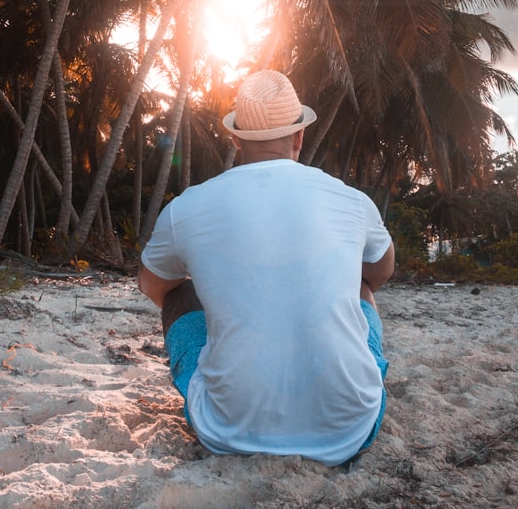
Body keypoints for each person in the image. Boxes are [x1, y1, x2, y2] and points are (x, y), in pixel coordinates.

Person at [137, 70, 395, 467]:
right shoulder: (351, 200)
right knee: (360, 284)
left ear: (236, 138)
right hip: (351, 428)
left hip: (225, 429)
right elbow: (380, 272)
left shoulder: (188, 206)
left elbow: (152, 284)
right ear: (299, 136)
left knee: (178, 291)